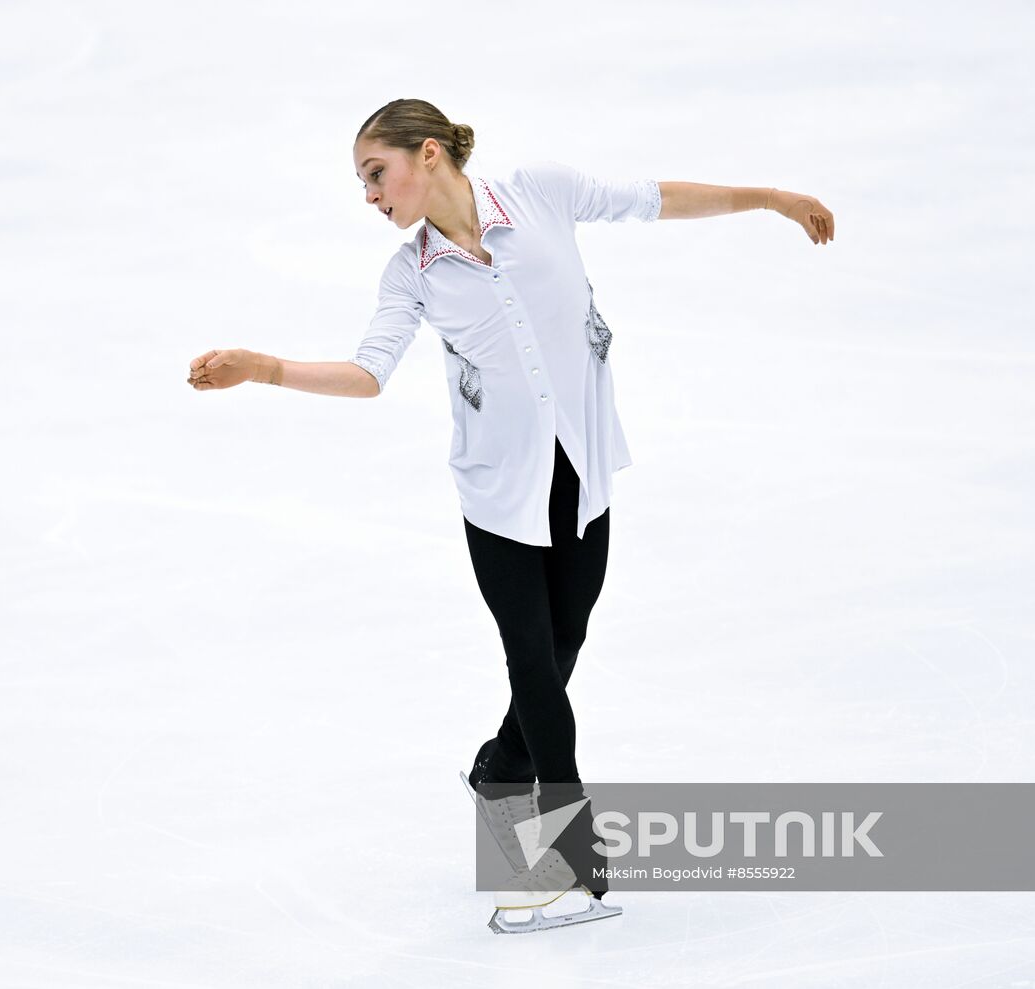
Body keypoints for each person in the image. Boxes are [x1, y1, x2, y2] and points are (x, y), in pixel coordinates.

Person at [188, 98, 835, 932]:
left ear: (428, 155)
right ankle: (568, 866)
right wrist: (263, 367)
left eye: (375, 175)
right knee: (533, 661)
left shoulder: (541, 194)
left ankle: (498, 769)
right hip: (498, 493)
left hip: (582, 471)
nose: (370, 197)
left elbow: (654, 199)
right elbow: (369, 372)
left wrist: (771, 198)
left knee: (565, 643)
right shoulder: (410, 274)